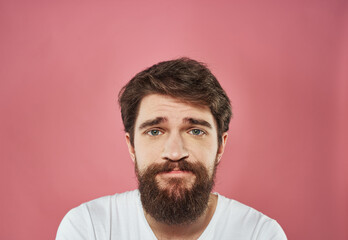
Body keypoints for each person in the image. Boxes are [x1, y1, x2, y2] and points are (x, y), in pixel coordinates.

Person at [56, 58, 287, 239]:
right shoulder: (89, 228)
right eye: (155, 131)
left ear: (220, 146)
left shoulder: (260, 234)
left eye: (196, 131)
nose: (175, 153)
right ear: (131, 146)